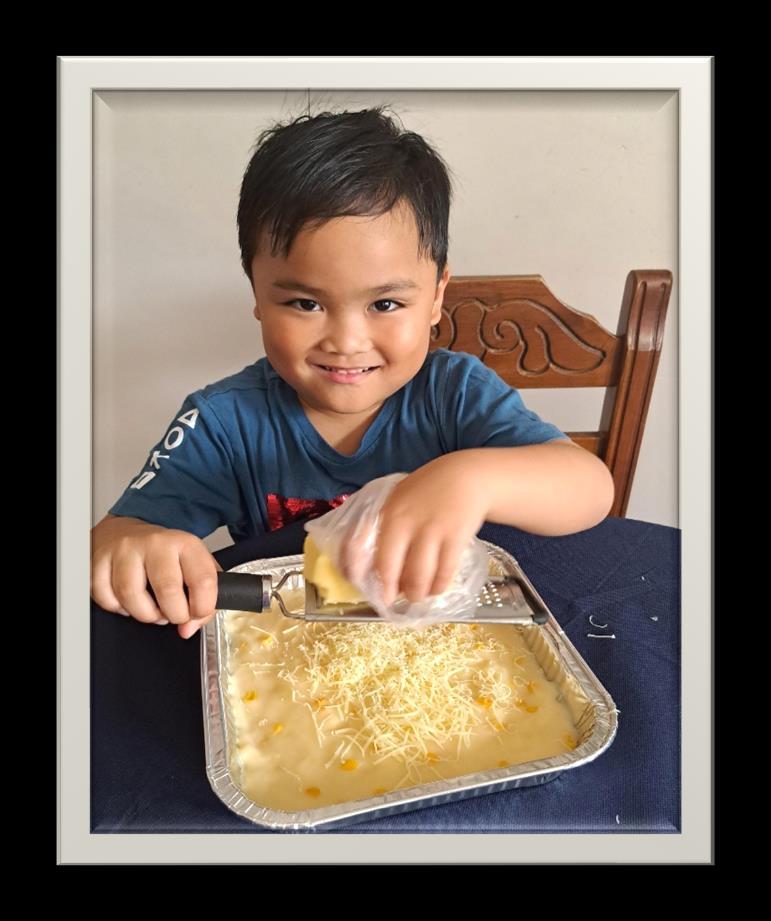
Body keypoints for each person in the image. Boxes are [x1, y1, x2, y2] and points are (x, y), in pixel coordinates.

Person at [91, 105, 614, 640]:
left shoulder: (456, 393)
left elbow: (590, 488)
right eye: (304, 303)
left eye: (385, 304)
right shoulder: (223, 424)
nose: (345, 341)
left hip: (439, 639)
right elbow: (110, 539)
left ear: (437, 296)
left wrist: (472, 479)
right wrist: (136, 549)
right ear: (257, 295)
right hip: (291, 646)